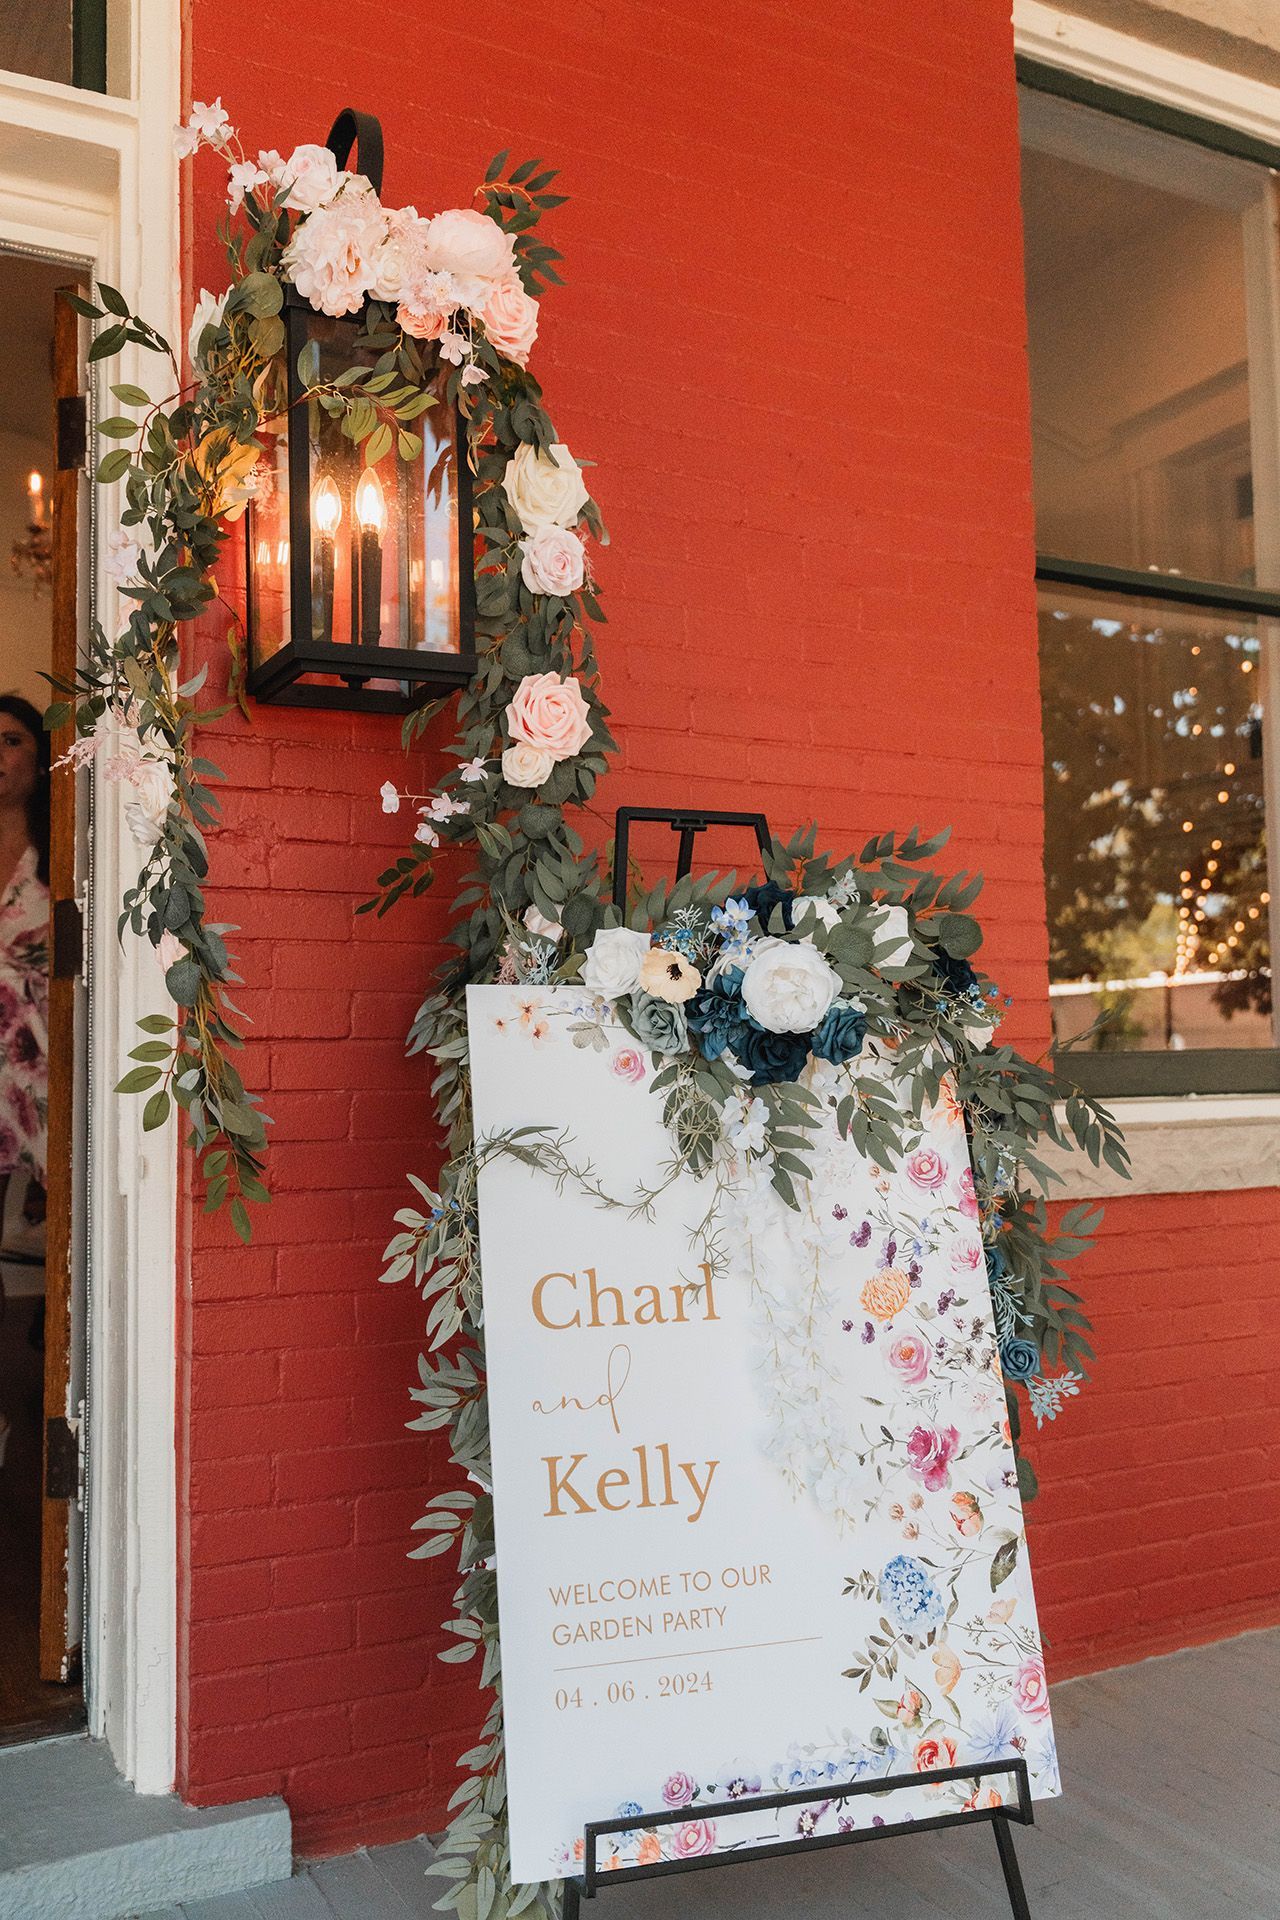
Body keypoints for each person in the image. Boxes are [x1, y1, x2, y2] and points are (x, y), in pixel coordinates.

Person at [0, 695, 50, 1468]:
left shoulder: (59, 855)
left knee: (27, 1282)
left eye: (10, 741)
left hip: (31, 1095)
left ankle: (27, 1432)